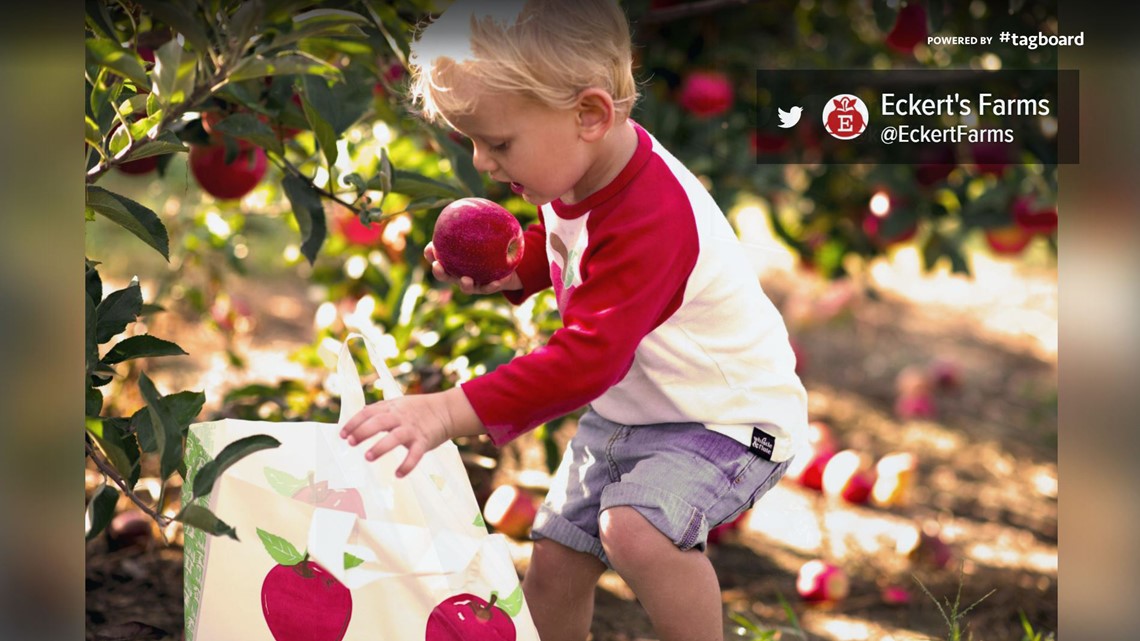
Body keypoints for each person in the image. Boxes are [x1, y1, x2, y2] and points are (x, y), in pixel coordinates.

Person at [339, 1, 809, 639]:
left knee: (634, 531)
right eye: (474, 141)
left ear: (589, 114)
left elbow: (589, 356)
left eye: (498, 142)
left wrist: (447, 411)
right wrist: (522, 266)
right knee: (557, 557)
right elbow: (575, 244)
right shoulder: (581, 169)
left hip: (726, 419)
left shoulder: (653, 216)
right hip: (635, 411)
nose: (481, 161)